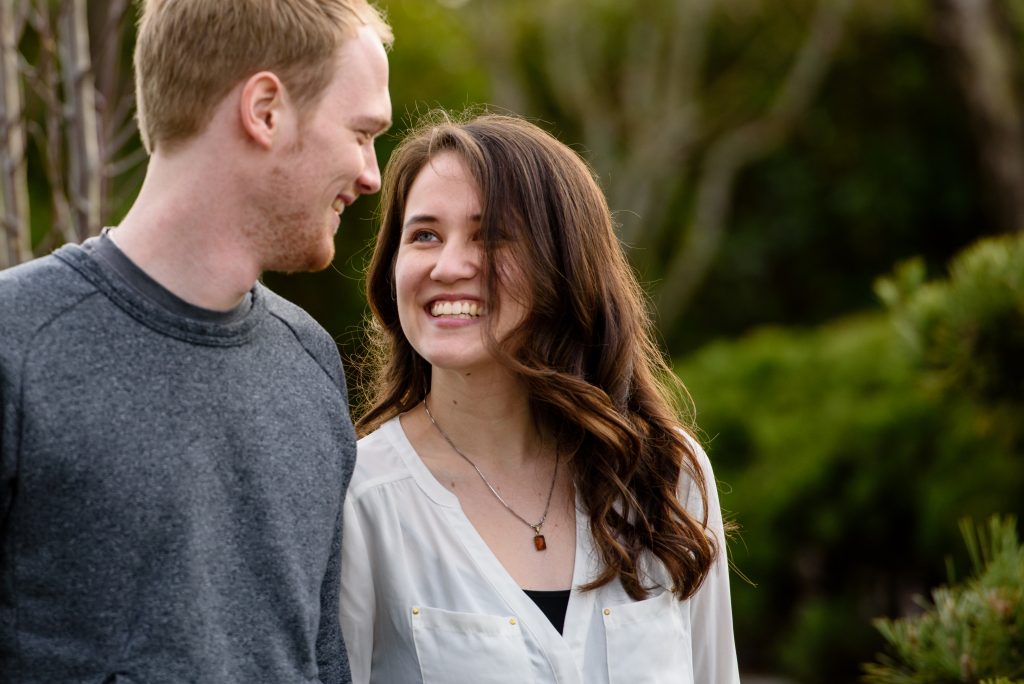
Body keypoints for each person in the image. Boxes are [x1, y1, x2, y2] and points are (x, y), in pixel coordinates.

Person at [0, 1, 391, 681]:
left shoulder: (309, 361)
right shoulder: (17, 343)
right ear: (265, 109)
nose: (371, 175)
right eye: (361, 133)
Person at [340, 113, 740, 683]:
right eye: (424, 234)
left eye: (492, 236)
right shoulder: (361, 500)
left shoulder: (666, 477)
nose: (449, 266)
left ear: (565, 263)